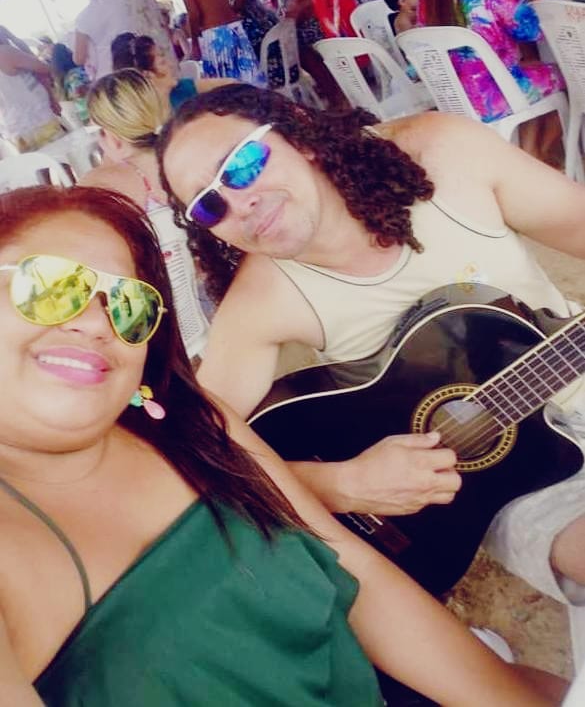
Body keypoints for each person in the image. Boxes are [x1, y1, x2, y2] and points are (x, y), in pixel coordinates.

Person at [0, 184, 559, 707]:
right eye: (50, 287)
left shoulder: (194, 423)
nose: (98, 324)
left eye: (128, 305)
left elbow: (356, 572)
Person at [158, 84, 585, 664]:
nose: (241, 203)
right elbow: (193, 454)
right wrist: (343, 484)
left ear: (299, 133)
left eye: (243, 164)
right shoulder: (262, 302)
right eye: (210, 206)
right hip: (517, 481)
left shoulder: (447, 157)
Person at [81, 69, 209, 359]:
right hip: (209, 316)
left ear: (112, 138)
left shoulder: (100, 186)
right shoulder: (187, 162)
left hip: (150, 339)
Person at [420, 0, 564, 162]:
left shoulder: (426, 0)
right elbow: (531, 31)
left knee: (530, 70)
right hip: (497, 94)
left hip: (456, 101)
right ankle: (538, 155)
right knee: (561, 76)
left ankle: (528, 157)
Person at [0, 36, 63, 151]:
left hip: (13, 129)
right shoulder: (5, 52)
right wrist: (14, 39)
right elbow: (43, 68)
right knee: (60, 157)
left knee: (35, 162)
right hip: (38, 119)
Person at [74, 0, 133, 81]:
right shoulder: (125, 2)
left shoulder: (83, 17)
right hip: (135, 64)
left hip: (107, 75)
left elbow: (79, 58)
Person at [50, 43, 91, 126]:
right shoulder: (75, 73)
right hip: (90, 109)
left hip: (80, 113)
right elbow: (79, 91)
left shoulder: (61, 78)